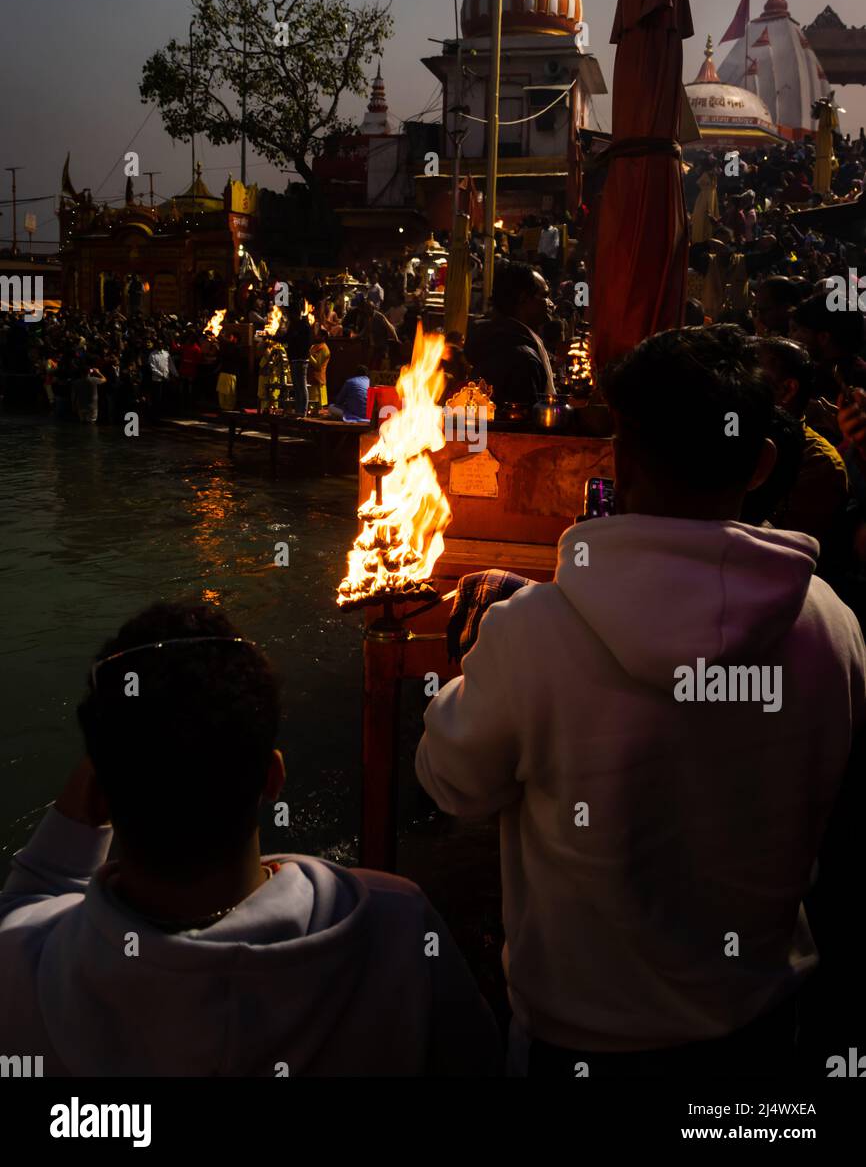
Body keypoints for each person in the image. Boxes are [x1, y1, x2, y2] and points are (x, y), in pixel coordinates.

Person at [416, 324, 865, 1077]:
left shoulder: (531, 636)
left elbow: (453, 782)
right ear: (759, 464)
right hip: (767, 1025)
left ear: (618, 460)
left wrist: (478, 657)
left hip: (586, 1045)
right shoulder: (832, 624)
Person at [0, 603, 501, 1076]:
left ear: (99, 794)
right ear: (273, 778)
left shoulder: (23, 966)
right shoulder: (397, 925)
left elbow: (24, 902)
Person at [755, 337, 849, 554]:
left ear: (787, 390)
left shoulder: (819, 462)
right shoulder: (736, 432)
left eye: (750, 377)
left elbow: (783, 551)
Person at [465, 262, 554, 407]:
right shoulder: (523, 358)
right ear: (523, 298)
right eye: (544, 296)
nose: (550, 303)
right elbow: (524, 420)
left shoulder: (495, 339)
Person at [285, 306, 312, 416]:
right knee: (296, 386)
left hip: (301, 359)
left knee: (301, 385)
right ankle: (298, 410)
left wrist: (302, 351)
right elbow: (287, 338)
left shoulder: (304, 325)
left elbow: (308, 342)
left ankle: (303, 411)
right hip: (294, 359)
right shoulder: (293, 326)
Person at [307, 327, 331, 411]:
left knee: (317, 406)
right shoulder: (314, 346)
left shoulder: (324, 349)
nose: (316, 336)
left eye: (318, 335)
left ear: (323, 337)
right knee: (310, 404)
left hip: (318, 380)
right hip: (310, 379)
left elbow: (318, 366)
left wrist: (308, 355)